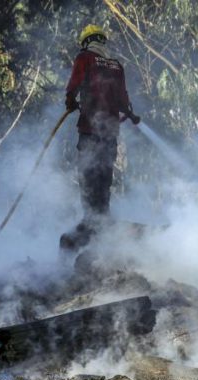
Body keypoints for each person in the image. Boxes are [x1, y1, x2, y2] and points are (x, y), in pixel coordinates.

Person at [60, 24, 140, 252]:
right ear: (103, 41)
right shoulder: (116, 65)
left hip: (89, 130)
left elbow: (74, 83)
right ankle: (102, 220)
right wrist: (131, 114)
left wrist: (70, 100)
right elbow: (123, 99)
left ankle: (90, 223)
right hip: (110, 133)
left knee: (87, 176)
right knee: (104, 176)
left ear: (86, 42)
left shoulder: (85, 58)